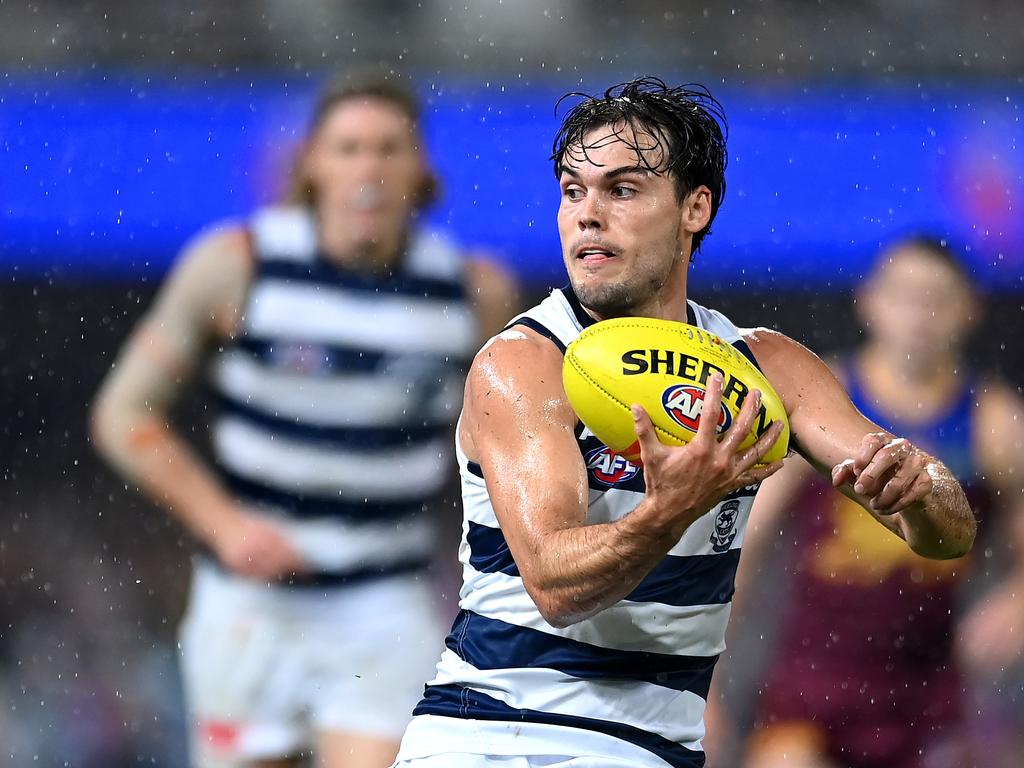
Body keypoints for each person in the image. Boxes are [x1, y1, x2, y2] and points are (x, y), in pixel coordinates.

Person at [389, 78, 976, 768]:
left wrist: (923, 489)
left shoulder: (767, 370)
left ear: (694, 208)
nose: (587, 215)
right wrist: (671, 508)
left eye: (623, 190)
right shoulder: (524, 364)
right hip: (494, 736)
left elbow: (945, 534)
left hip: (656, 747)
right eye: (573, 190)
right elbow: (556, 586)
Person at [90, 72, 518, 768]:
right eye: (349, 148)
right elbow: (121, 415)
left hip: (383, 603)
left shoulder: (473, 292)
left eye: (389, 149)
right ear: (313, 163)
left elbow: (511, 444)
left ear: (421, 170)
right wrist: (226, 527)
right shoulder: (238, 265)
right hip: (250, 608)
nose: (369, 169)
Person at [726, 235, 1024, 768]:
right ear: (870, 301)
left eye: (936, 298)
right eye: (906, 295)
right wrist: (705, 668)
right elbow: (748, 535)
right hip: (812, 675)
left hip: (927, 687)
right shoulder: (824, 400)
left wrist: (1014, 605)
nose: (920, 316)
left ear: (969, 310)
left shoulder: (994, 424)